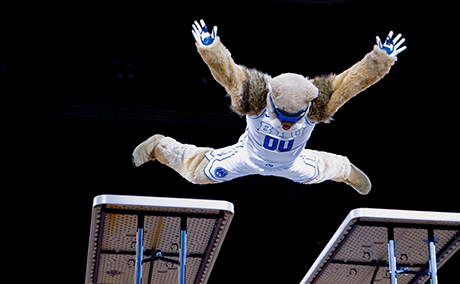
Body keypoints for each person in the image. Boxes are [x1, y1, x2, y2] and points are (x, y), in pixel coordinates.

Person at [133, 20, 406, 194]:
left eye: (293, 117)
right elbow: (229, 75)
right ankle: (160, 146)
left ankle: (347, 170)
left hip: (291, 163)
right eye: (283, 116)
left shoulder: (316, 104)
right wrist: (211, 49)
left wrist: (379, 59)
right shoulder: (257, 97)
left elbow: (350, 84)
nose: (287, 123)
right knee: (196, 174)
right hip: (247, 157)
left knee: (320, 172)